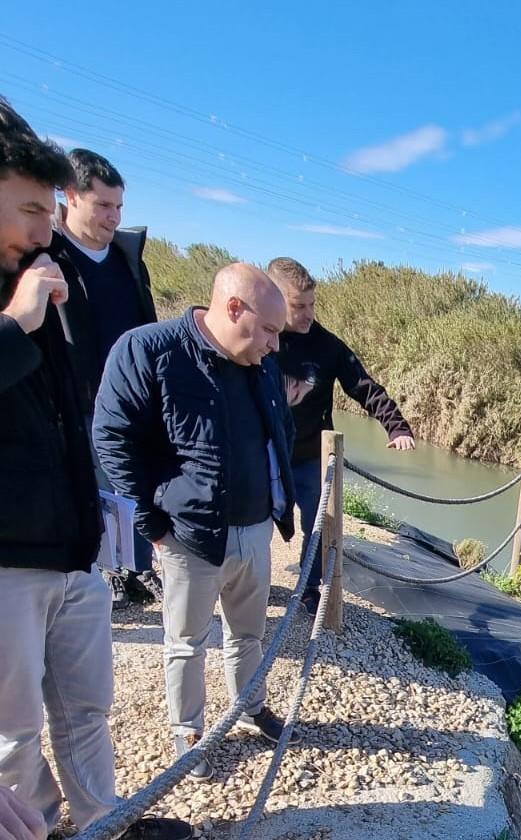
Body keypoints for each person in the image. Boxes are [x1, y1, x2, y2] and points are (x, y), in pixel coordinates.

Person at [0, 96, 190, 839]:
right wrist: (17, 322)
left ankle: (102, 822)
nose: (44, 230)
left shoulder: (49, 273)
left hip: (75, 546)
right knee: (13, 735)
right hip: (9, 561)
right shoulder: (25, 298)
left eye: (49, 212)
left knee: (87, 710)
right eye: (28, 211)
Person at [93, 262, 297, 782]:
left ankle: (251, 706)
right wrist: (152, 524)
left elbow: (280, 429)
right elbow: (113, 438)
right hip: (187, 537)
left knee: (248, 633)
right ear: (234, 309)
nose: (275, 344)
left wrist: (279, 504)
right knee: (187, 640)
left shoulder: (261, 361)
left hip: (254, 528)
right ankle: (188, 731)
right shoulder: (149, 350)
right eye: (270, 330)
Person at [266, 257, 415, 614]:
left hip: (309, 454)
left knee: (317, 525)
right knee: (253, 523)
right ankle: (246, 586)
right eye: (298, 306)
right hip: (265, 451)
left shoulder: (327, 346)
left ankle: (308, 588)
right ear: (273, 298)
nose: (308, 314)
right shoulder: (258, 338)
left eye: (312, 305)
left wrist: (396, 426)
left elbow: (364, 386)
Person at [55, 148, 160, 609]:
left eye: (119, 207)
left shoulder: (128, 261)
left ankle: (138, 568)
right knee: (92, 488)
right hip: (75, 401)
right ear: (71, 196)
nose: (113, 217)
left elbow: (150, 329)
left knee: (136, 483)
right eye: (103, 206)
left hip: (132, 400)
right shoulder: (48, 258)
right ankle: (107, 573)